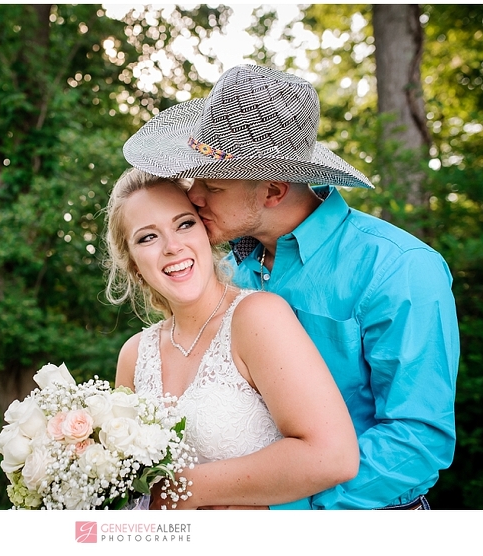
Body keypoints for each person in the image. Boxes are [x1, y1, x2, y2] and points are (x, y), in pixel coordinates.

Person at [122, 64, 460, 510]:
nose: (194, 196)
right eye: (194, 180)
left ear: (275, 190)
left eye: (213, 186)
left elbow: (416, 441)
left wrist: (282, 511)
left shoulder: (398, 268)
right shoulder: (229, 271)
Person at [104, 167, 359, 509]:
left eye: (184, 223)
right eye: (148, 237)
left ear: (206, 232)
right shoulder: (134, 354)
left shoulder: (257, 316)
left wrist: (184, 489)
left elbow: (334, 456)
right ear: (134, 264)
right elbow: (121, 485)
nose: (172, 246)